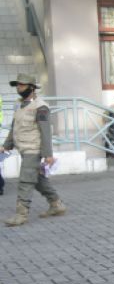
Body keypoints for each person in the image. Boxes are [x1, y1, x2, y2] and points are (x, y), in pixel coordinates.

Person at [3, 73, 65, 225]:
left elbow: (45, 132)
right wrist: (5, 145)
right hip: (23, 148)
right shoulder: (19, 105)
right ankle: (56, 204)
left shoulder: (40, 107)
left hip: (33, 149)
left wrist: (48, 155)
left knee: (25, 180)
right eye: (17, 85)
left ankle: (21, 215)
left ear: (31, 88)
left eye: (22, 85)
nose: (18, 87)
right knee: (37, 179)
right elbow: (14, 128)